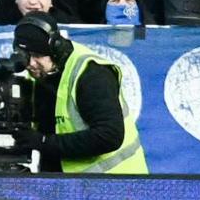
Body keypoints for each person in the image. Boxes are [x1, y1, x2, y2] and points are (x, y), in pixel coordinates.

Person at [8, 14, 145, 173]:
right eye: (26, 57)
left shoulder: (91, 73)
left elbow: (109, 136)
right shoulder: (34, 75)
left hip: (116, 184)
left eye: (38, 55)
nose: (31, 64)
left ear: (55, 49)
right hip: (69, 185)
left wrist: (44, 142)